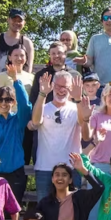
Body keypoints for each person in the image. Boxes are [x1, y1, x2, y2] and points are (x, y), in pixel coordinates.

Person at [30, 72, 84, 201]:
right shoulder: (43, 107)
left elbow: (84, 123)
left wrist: (78, 99)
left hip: (71, 168)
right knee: (44, 213)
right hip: (45, 168)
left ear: (71, 88)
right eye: (58, 86)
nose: (61, 90)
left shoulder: (77, 108)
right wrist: (42, 94)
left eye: (65, 87)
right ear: (52, 86)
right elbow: (36, 121)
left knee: (72, 211)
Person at [0, 83, 32, 204]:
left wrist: (16, 81)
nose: (4, 103)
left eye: (8, 99)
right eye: (0, 99)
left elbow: (25, 106)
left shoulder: (18, 120)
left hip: (15, 172)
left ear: (14, 102)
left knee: (14, 212)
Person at [0, 8, 35, 78]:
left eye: (20, 21)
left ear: (24, 23)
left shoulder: (27, 43)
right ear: (8, 20)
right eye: (14, 20)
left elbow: (29, 68)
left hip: (19, 85)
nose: (17, 23)